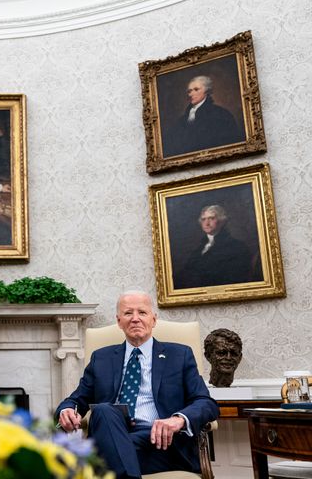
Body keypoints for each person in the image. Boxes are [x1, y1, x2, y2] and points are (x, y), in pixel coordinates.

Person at [55, 291, 219, 479]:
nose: (135, 319)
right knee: (103, 410)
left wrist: (178, 419)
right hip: (114, 433)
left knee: (89, 455)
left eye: (142, 312)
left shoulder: (179, 355)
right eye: (127, 313)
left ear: (153, 319)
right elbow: (76, 400)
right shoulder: (101, 358)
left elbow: (206, 403)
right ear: (119, 321)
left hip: (161, 444)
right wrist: (66, 410)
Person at [175, 204, 257, 289]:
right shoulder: (199, 247)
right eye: (203, 219)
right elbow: (185, 273)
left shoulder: (236, 247)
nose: (206, 223)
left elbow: (235, 279)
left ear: (222, 221)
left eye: (211, 218)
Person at [163, 75, 245, 157]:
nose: (191, 94)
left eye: (196, 89)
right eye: (189, 91)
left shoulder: (221, 114)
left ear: (207, 91)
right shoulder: (183, 119)